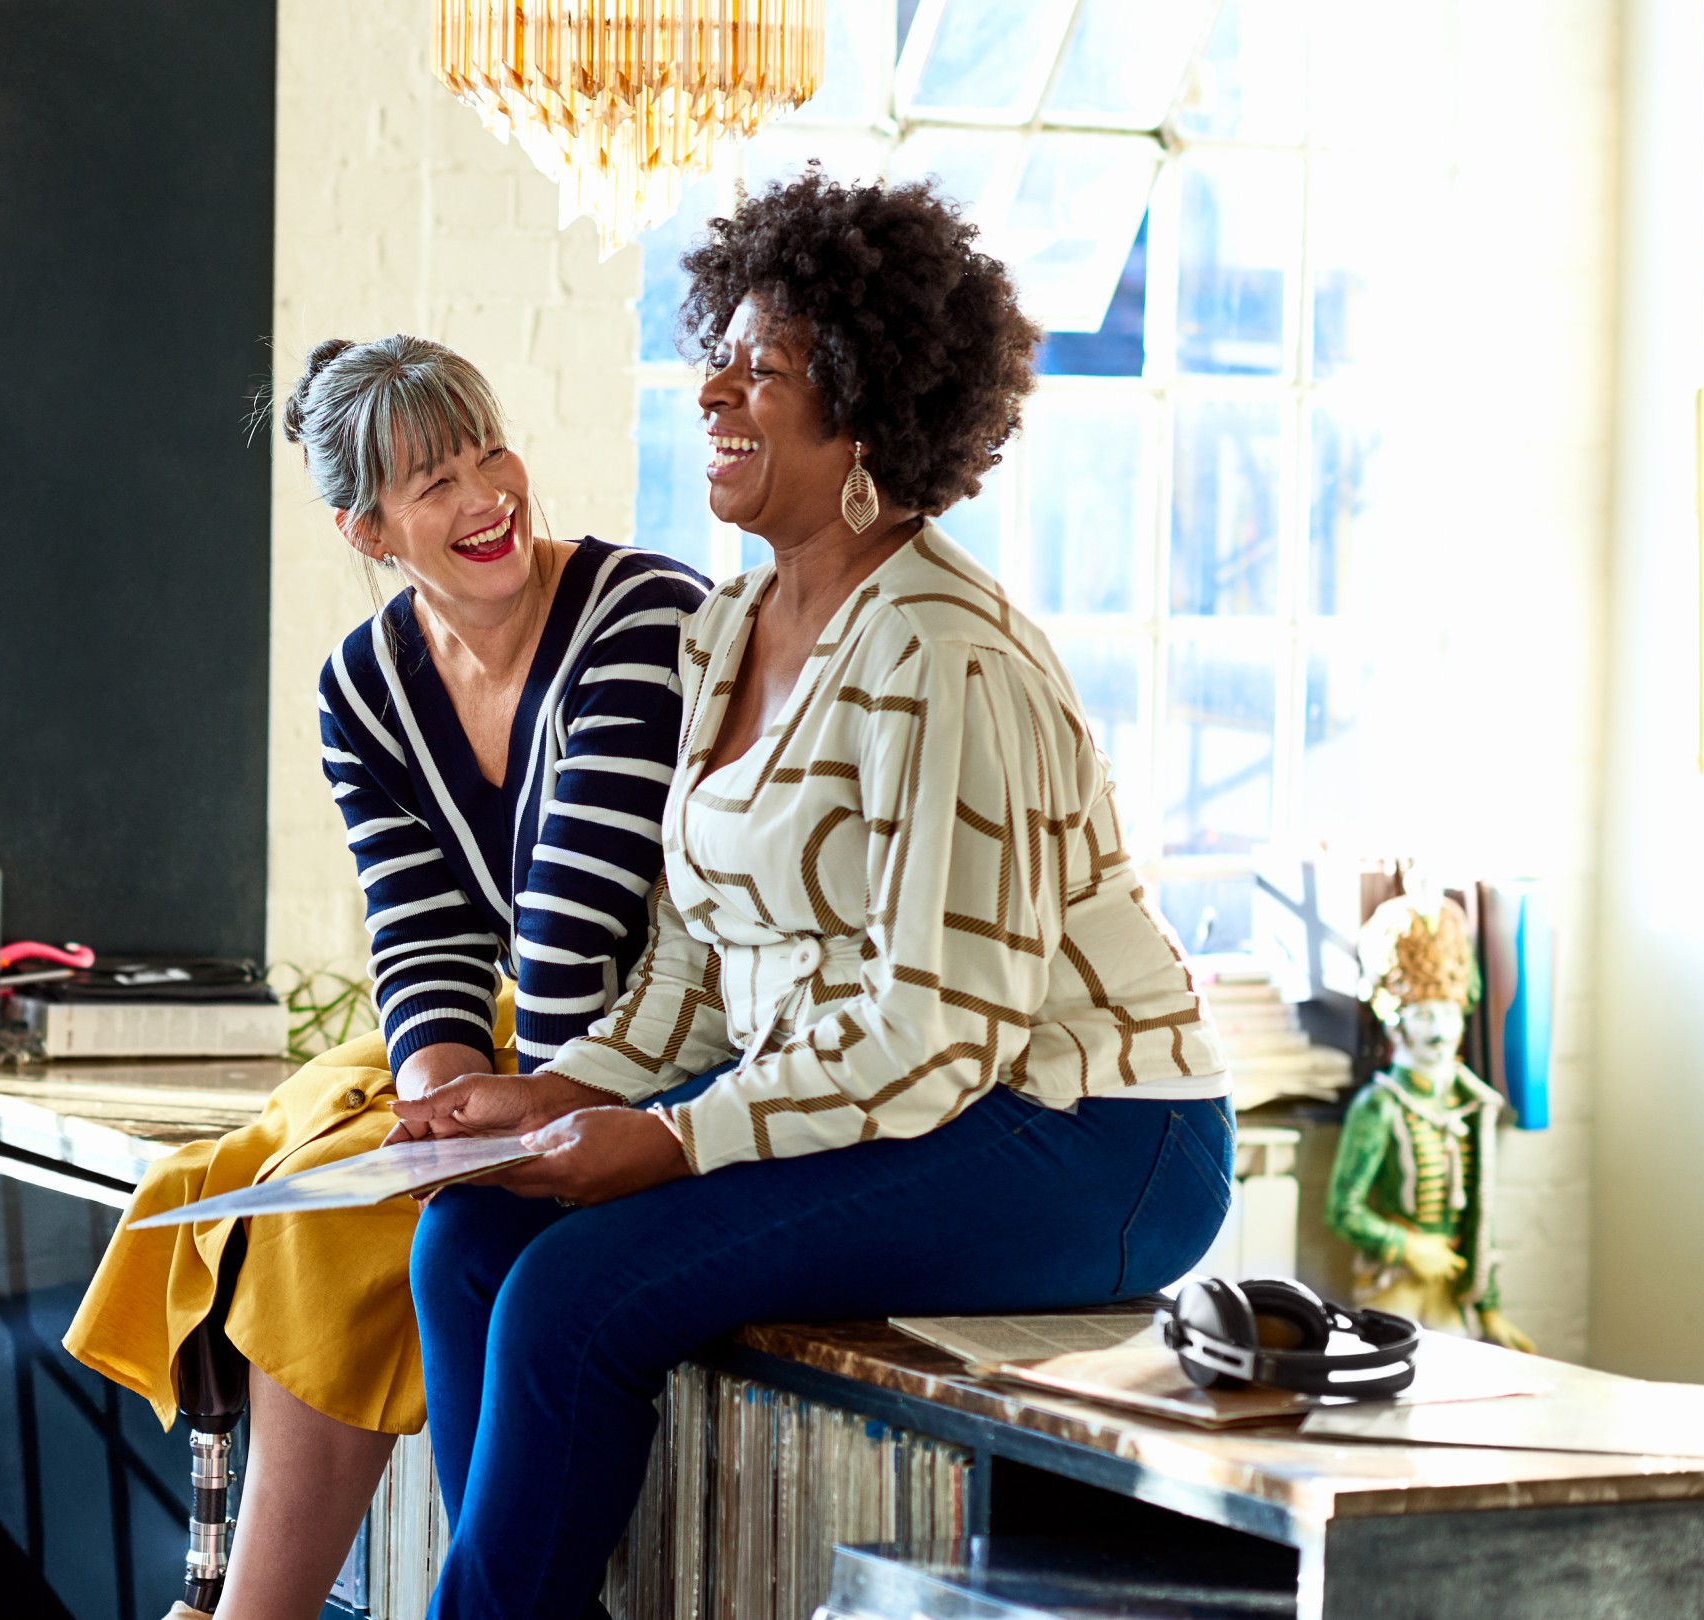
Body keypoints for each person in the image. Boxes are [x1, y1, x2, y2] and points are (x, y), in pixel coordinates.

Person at [391, 170, 1235, 1619]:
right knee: (468, 1237)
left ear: (862, 411)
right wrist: (553, 1091)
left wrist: (667, 1144)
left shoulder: (946, 658)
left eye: (759, 366)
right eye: (715, 347)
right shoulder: (731, 630)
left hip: (1082, 1135)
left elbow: (935, 1037)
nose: (710, 385)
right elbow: (698, 966)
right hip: (915, 1098)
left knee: (573, 1294)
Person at [62, 335, 707, 1620]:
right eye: (434, 483)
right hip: (534, 1039)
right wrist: (441, 1088)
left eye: (489, 452)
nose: (486, 498)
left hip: (667, 1031)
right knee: (311, 1169)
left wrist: (514, 1109)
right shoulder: (361, 686)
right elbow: (415, 929)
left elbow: (582, 920)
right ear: (368, 531)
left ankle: (254, 1610)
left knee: (362, 1208)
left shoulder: (644, 613)